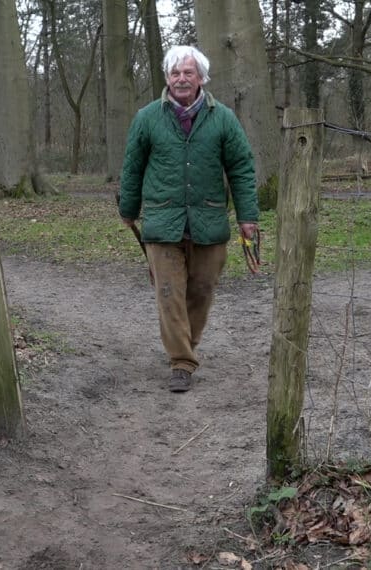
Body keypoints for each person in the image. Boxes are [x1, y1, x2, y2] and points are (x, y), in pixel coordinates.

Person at [118, 45, 260, 393]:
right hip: (162, 223)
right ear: (167, 77)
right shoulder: (147, 118)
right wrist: (128, 209)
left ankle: (186, 345)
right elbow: (132, 168)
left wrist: (247, 217)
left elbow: (241, 168)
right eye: (175, 73)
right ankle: (181, 362)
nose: (181, 79)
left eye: (188, 72)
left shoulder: (223, 118)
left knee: (201, 291)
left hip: (209, 222)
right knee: (169, 294)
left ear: (201, 78)